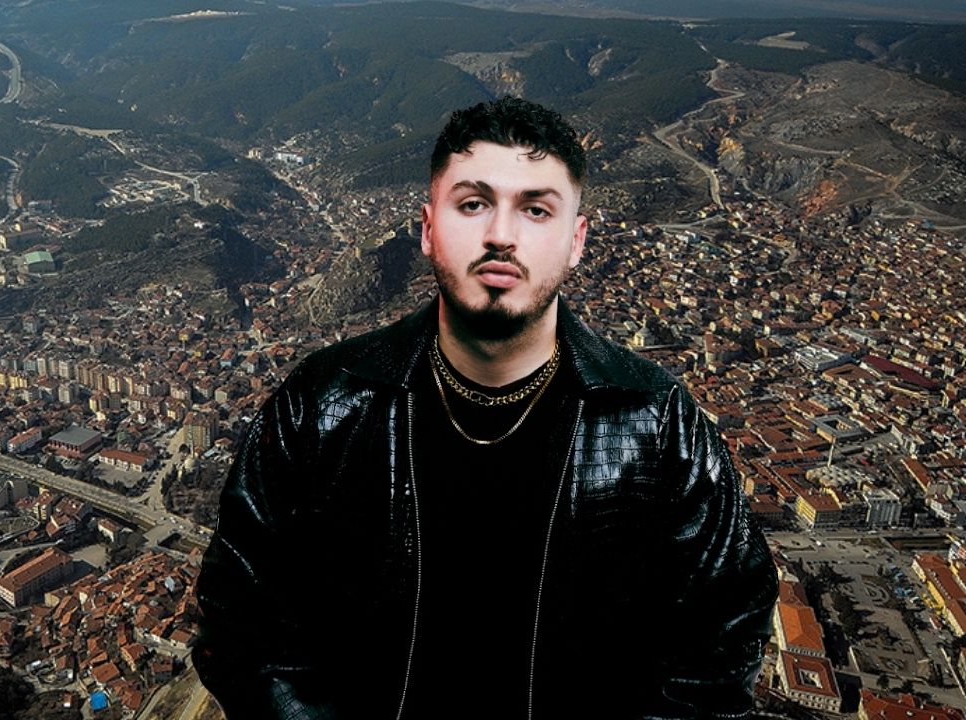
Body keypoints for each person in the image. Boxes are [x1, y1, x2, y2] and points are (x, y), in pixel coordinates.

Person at [193, 97, 777, 719]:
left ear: (576, 241)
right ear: (428, 229)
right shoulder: (324, 402)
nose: (502, 235)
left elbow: (723, 642)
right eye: (473, 204)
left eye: (536, 209)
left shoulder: (656, 422)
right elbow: (239, 622)